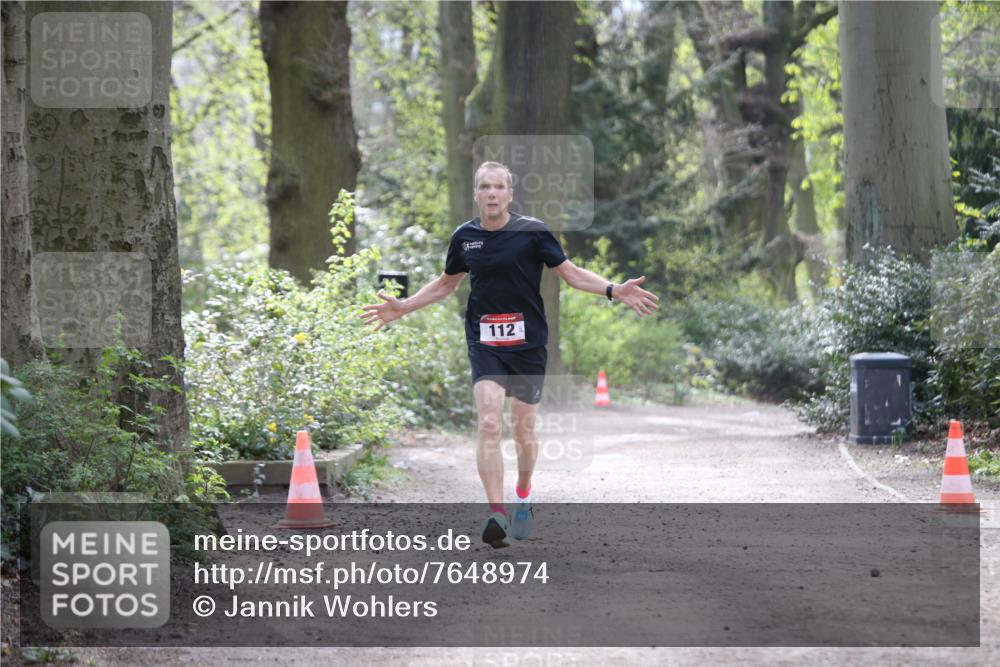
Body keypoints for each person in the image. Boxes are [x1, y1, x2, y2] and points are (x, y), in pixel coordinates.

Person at [361, 161, 659, 547]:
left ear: (509, 194)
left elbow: (570, 273)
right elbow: (446, 283)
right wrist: (405, 306)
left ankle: (522, 495)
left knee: (523, 429)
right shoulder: (464, 237)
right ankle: (495, 512)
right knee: (488, 423)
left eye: (498, 187)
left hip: (528, 344)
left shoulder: (532, 233)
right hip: (485, 342)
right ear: (476, 193)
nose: (491, 193)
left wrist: (613, 289)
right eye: (484, 186)